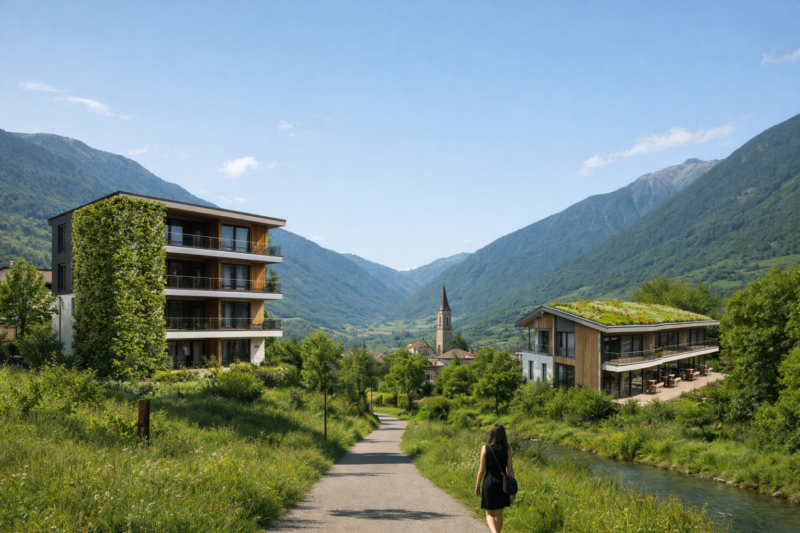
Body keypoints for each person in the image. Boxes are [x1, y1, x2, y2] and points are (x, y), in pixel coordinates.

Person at [474, 423, 515, 533]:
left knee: (489, 513)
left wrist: (477, 486)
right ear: (503, 435)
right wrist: (513, 491)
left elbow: (481, 470)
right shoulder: (507, 450)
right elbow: (510, 471)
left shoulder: (485, 448)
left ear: (491, 434)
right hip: (503, 483)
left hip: (489, 481)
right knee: (499, 513)